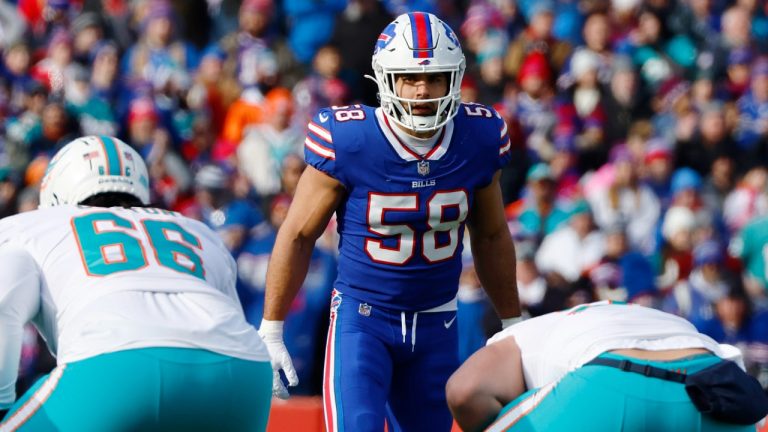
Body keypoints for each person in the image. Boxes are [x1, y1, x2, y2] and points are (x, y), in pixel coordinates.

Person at [259, 12, 521, 432]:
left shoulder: (479, 138)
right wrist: (272, 328)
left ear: (454, 78)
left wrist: (512, 322)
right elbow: (298, 233)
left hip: (439, 321)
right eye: (409, 78)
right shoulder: (350, 140)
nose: (422, 90)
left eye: (435, 78)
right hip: (363, 323)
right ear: (385, 80)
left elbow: (490, 234)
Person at [0, 136, 272, 431]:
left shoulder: (29, 227)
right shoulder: (198, 230)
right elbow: (230, 312)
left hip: (117, 368)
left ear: (54, 191)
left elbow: (4, 307)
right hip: (242, 375)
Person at [446, 301, 768, 432]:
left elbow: (463, 392)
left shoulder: (516, 337)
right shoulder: (630, 313)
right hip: (723, 391)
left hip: (615, 375)